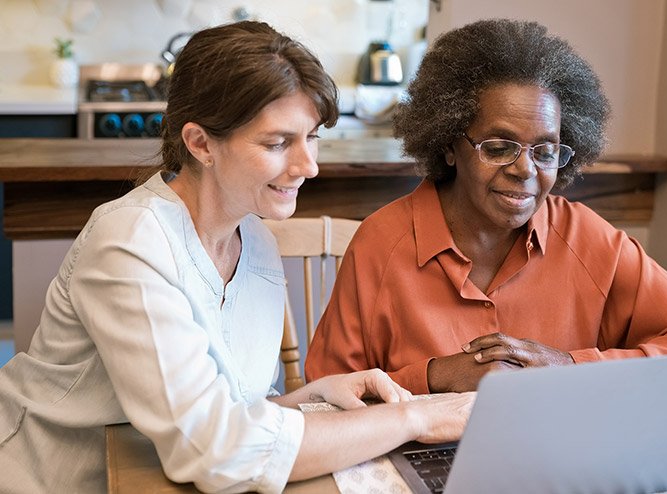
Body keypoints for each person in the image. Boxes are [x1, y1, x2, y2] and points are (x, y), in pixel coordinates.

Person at [0, 21, 473, 494]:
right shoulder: (130, 242)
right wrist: (413, 417)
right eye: (277, 143)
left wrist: (313, 395)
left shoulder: (257, 242)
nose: (308, 165)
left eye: (311, 137)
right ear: (201, 143)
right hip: (47, 479)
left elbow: (234, 412)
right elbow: (213, 450)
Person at [305, 18, 667, 395]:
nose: (526, 170)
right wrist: (436, 377)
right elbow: (324, 399)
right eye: (499, 147)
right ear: (448, 145)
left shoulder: (587, 238)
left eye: (545, 151)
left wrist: (572, 369)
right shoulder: (381, 244)